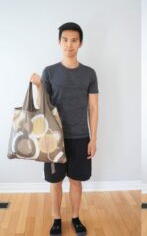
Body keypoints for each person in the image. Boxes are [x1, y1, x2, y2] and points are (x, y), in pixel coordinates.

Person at [30, 22, 99, 236]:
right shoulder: (49, 72)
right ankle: (56, 219)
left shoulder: (89, 73)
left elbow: (94, 107)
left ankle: (76, 217)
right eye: (65, 40)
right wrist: (39, 86)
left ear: (81, 43)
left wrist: (93, 138)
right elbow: (43, 106)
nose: (69, 45)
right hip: (53, 138)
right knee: (56, 181)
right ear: (59, 42)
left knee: (76, 181)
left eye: (74, 40)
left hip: (80, 137)